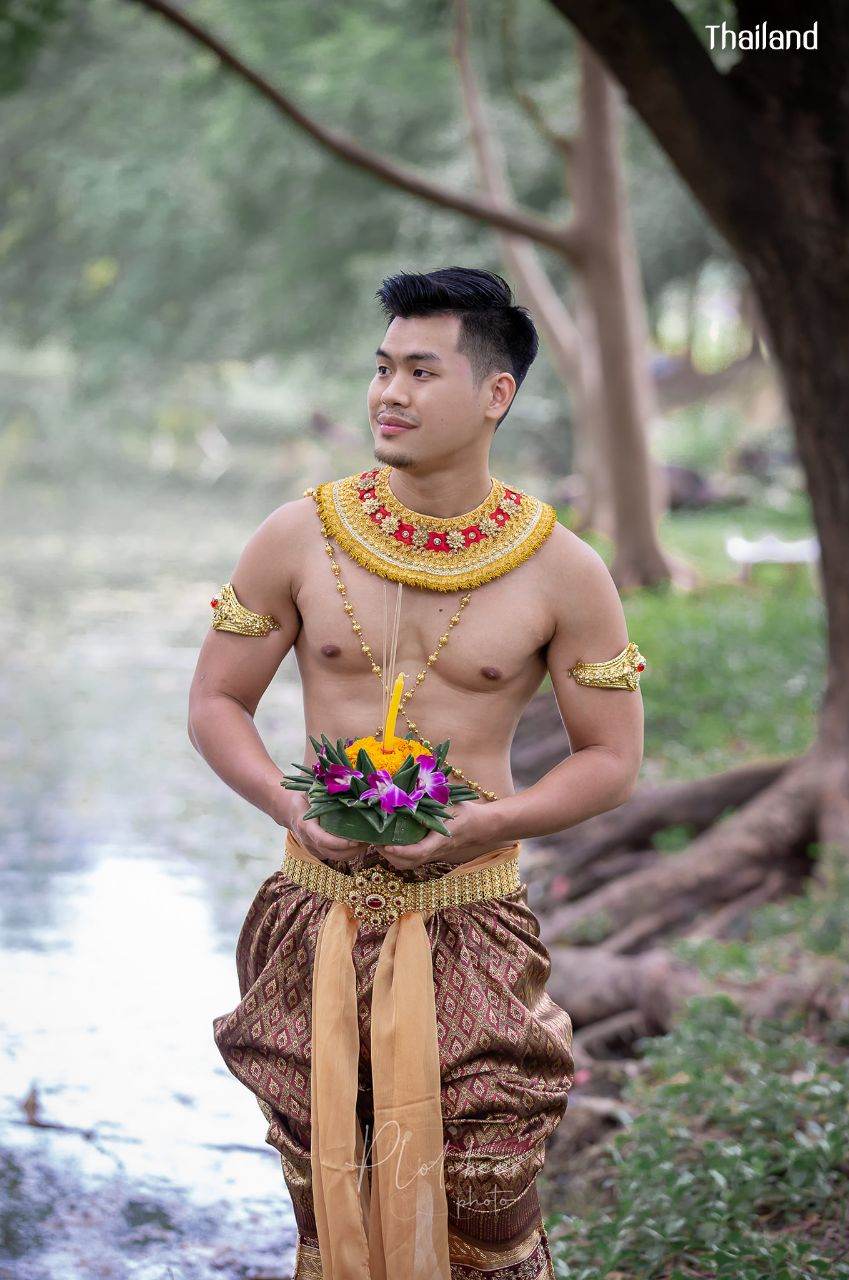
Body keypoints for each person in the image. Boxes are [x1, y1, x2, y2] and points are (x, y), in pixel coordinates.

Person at [189, 266, 645, 1280]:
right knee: (329, 1189)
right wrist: (288, 805)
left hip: (472, 923)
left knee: (485, 1201)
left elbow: (612, 758)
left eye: (420, 370)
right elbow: (216, 701)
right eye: (382, 367)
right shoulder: (297, 531)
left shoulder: (563, 568)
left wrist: (492, 822)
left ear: (495, 393)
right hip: (311, 916)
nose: (388, 392)